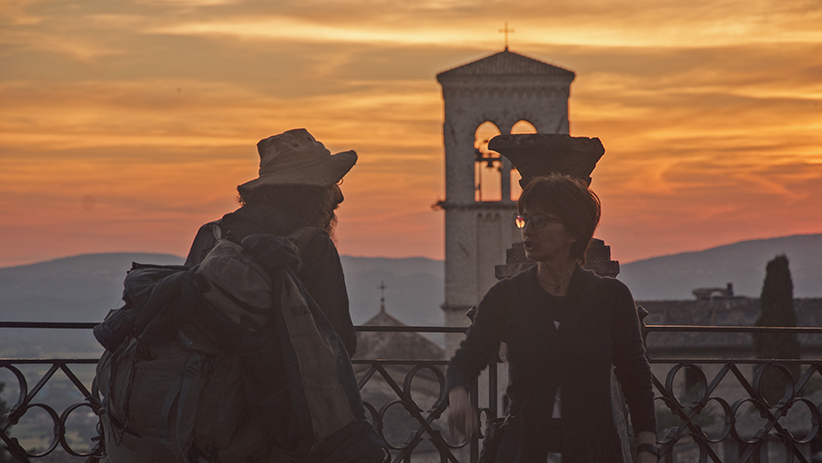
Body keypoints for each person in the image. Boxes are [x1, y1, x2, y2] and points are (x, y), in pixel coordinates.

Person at [446, 174, 658, 463]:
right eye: (524, 219)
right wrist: (458, 396)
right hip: (523, 452)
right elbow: (468, 358)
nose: (527, 230)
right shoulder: (506, 297)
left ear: (573, 231)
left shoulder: (611, 298)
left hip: (594, 453)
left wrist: (647, 446)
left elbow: (634, 374)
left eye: (540, 220)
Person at [185, 128, 357, 356]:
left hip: (204, 379)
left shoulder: (211, 233)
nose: (338, 197)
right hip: (275, 386)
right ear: (312, 194)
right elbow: (338, 336)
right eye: (330, 187)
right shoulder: (313, 244)